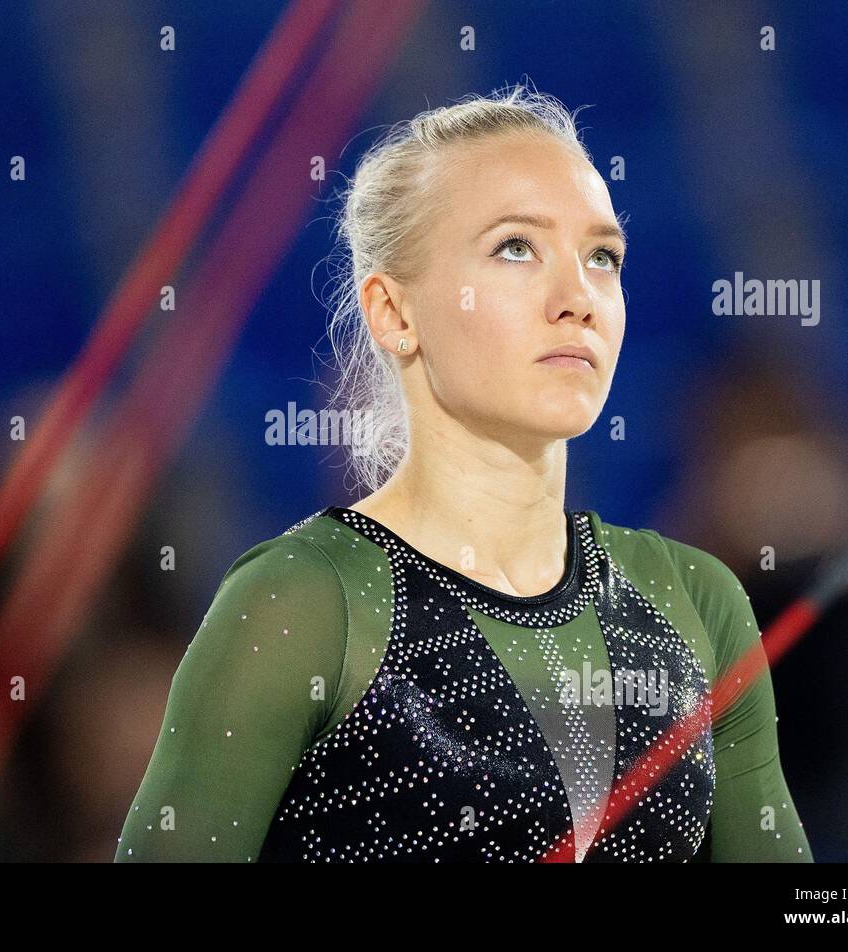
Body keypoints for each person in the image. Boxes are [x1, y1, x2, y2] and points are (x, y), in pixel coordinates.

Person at [114, 83, 812, 863]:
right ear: (394, 312)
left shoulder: (696, 599)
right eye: (517, 247)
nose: (578, 297)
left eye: (602, 257)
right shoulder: (308, 603)